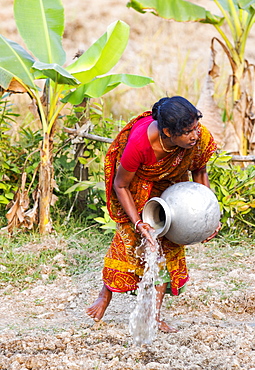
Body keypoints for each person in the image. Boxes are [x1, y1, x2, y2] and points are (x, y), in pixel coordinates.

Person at [86, 96, 219, 333]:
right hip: (137, 184)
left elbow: (199, 170)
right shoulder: (140, 144)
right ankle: (106, 294)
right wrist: (138, 222)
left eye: (196, 128)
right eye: (188, 132)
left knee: (168, 244)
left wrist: (209, 216)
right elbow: (121, 185)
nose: (195, 135)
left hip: (173, 186)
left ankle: (154, 316)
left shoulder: (197, 139)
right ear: (167, 132)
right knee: (130, 240)